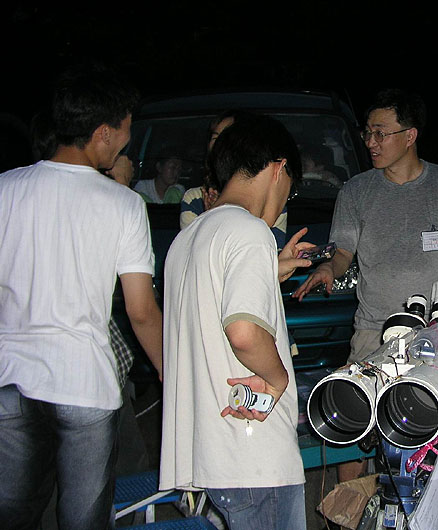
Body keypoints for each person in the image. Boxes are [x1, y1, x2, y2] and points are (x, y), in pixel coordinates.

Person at [0, 64, 163, 529]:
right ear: (103, 133)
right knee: (83, 519)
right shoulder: (125, 205)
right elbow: (141, 311)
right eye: (126, 130)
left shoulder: (5, 188)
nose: (127, 142)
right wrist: (170, 370)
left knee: (12, 513)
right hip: (83, 384)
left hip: (10, 377)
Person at [293, 88, 438, 482]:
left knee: (436, 428)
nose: (370, 142)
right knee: (352, 428)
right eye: (368, 133)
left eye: (380, 133)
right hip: (374, 329)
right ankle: (347, 508)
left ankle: (433, 504)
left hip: (436, 335)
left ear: (410, 135)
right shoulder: (357, 191)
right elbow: (343, 251)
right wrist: (329, 268)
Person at [160, 115, 312, 530]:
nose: (286, 199)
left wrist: (270, 271)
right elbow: (243, 334)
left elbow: (210, 312)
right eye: (290, 187)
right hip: (252, 455)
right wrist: (278, 379)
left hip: (212, 452)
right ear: (279, 169)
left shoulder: (189, 238)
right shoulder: (250, 231)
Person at [180, 110, 287, 247]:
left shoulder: (273, 201)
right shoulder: (194, 199)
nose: (221, 145)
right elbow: (192, 253)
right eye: (216, 138)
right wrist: (210, 217)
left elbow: (269, 252)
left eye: (228, 138)